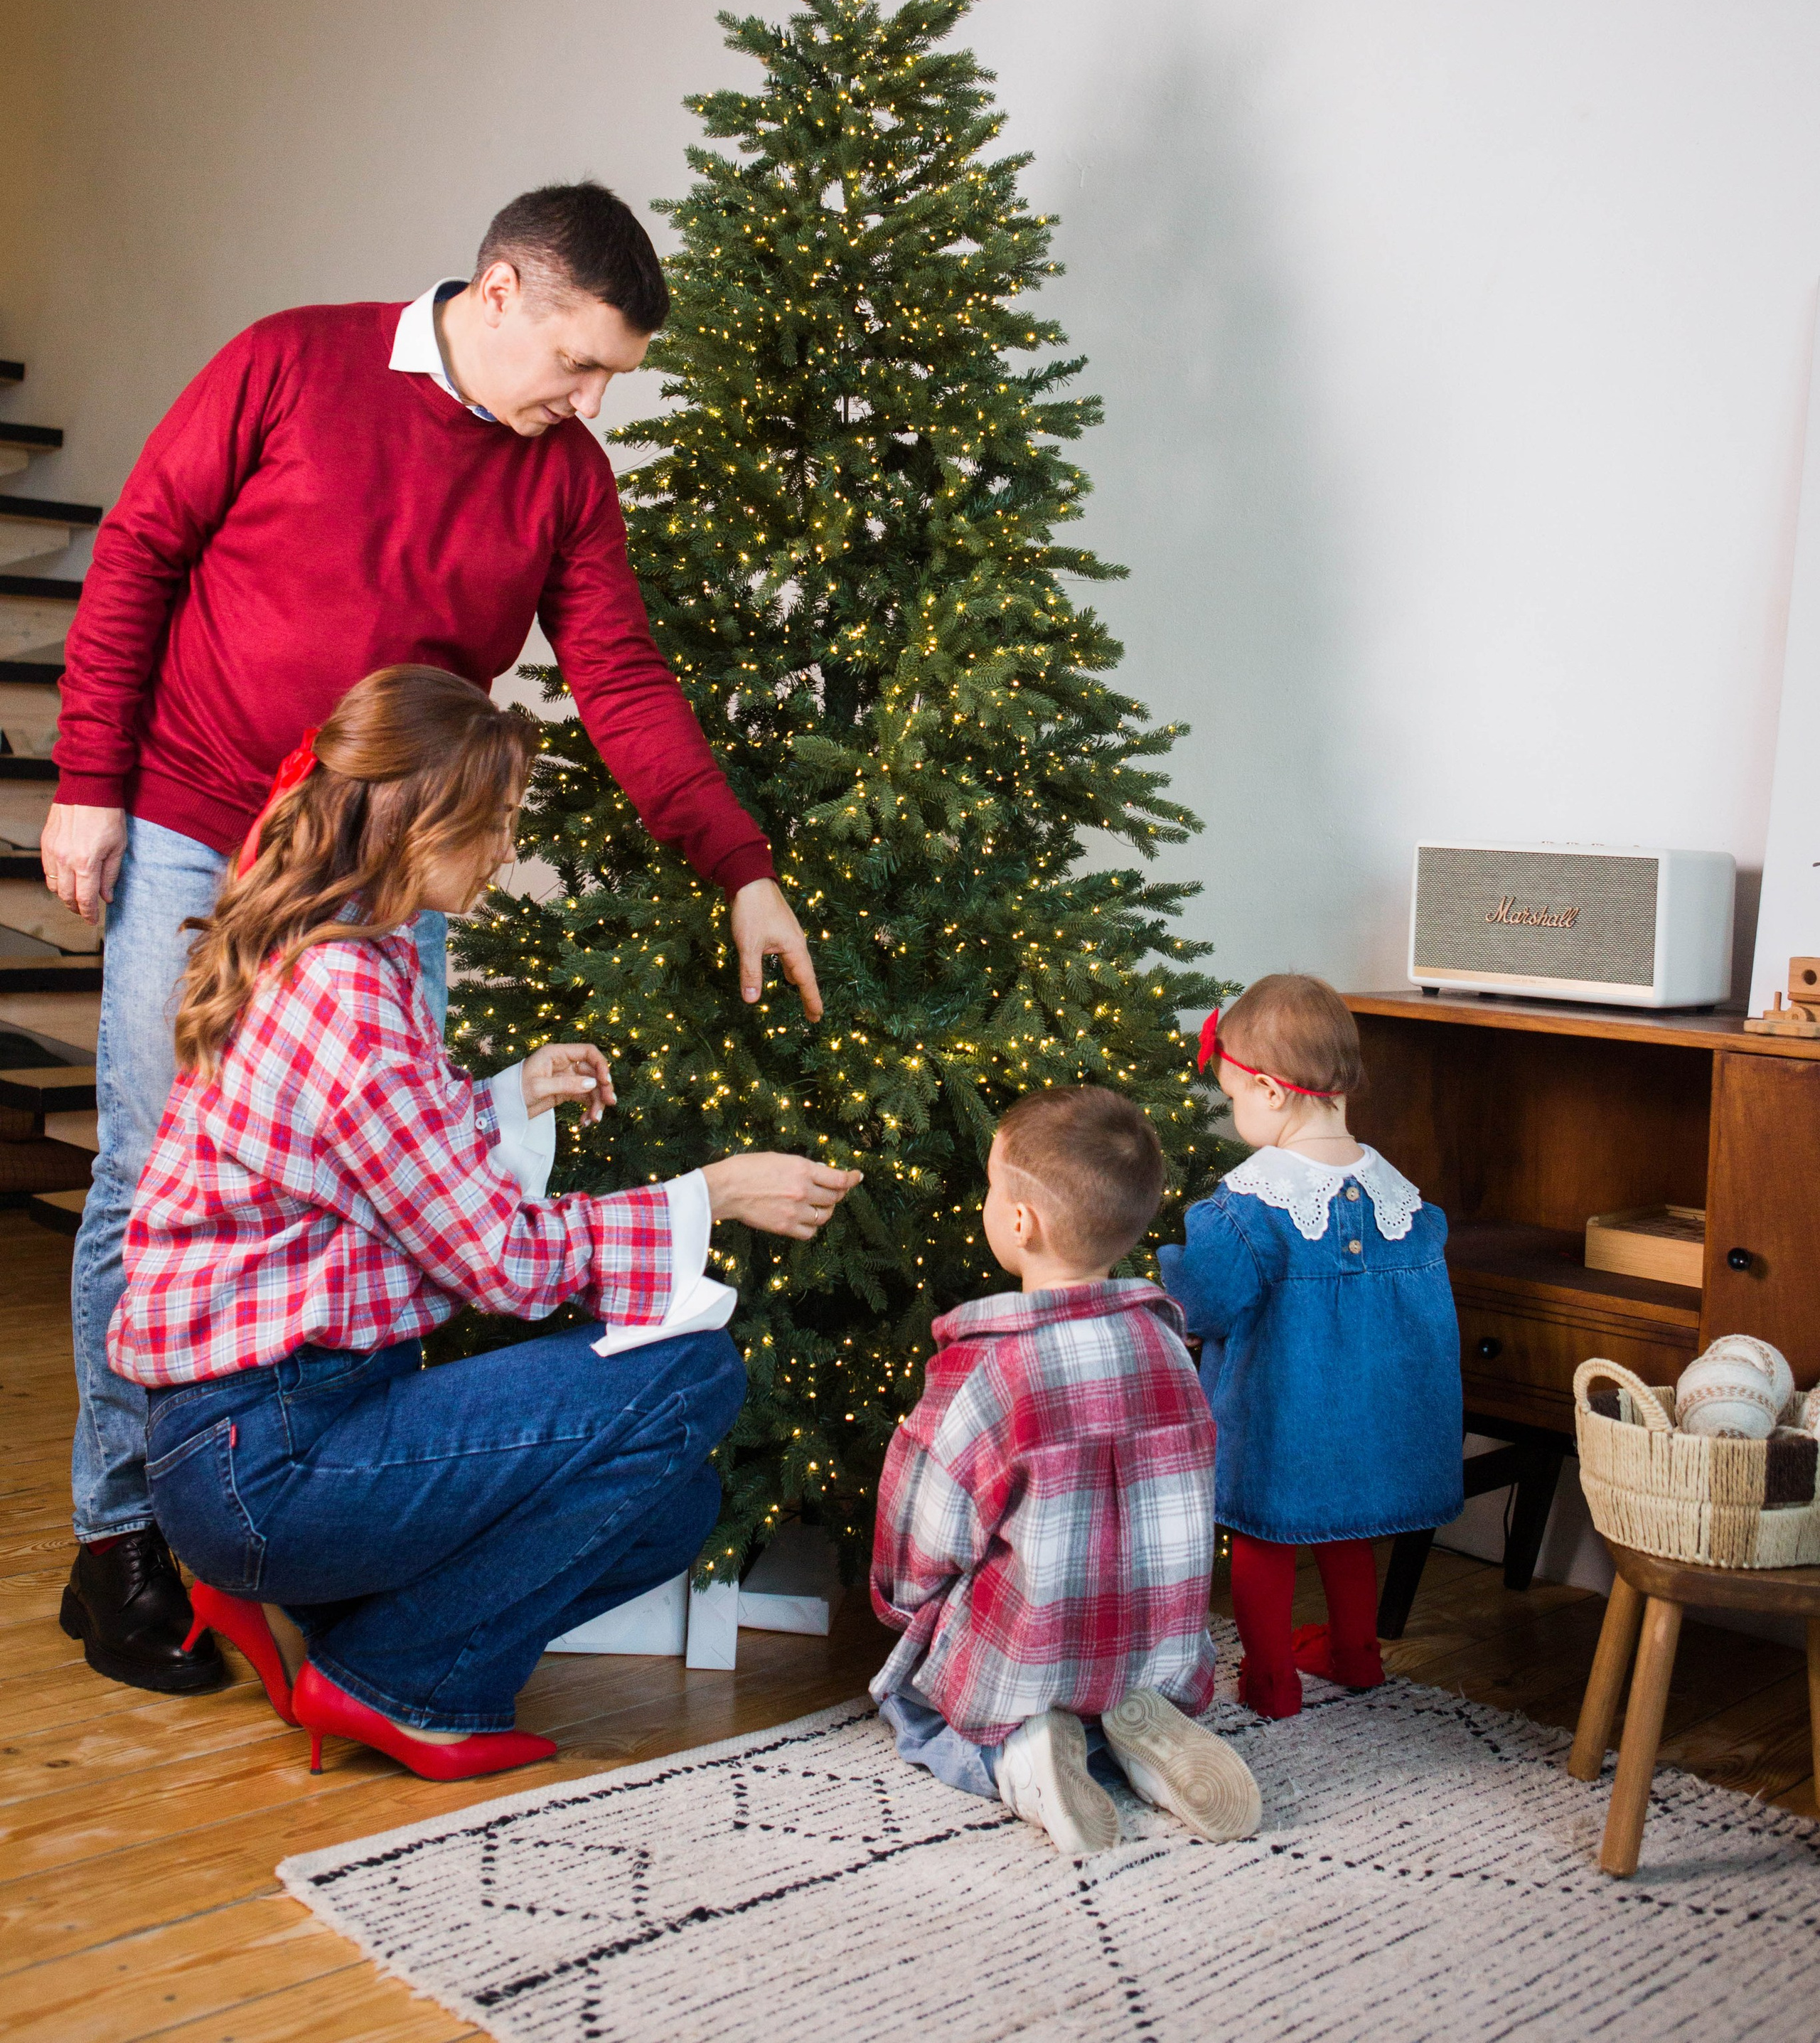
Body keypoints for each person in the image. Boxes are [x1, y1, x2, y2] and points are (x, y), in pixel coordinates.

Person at [46, 181, 824, 1695]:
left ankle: (323, 1510)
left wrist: (738, 862)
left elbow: (621, 680)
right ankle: (122, 1535)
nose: (591, 402)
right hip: (207, 821)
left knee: (393, 1179)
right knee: (149, 1172)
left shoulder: (563, 479)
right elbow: (138, 549)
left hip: (391, 869)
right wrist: (87, 784)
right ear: (503, 291)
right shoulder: (289, 363)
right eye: (582, 363)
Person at [105, 663, 860, 1780]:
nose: (507, 850)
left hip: (282, 1422)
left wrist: (501, 1098)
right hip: (264, 1450)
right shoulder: (348, 996)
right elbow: (500, 1260)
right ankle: (396, 1682)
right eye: (497, 823)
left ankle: (358, 1645)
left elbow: (363, 1163)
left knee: (674, 1504)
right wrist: (713, 1194)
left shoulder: (344, 945)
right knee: (692, 1378)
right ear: (421, 820)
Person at [868, 1086, 1260, 1856]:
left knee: (911, 1706)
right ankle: (1135, 1738)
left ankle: (1014, 1757)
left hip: (1025, 1656)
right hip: (1157, 1651)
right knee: (1110, 1650)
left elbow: (922, 1538)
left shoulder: (985, 1369)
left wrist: (906, 1607)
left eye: (991, 1186)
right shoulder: (1167, 1348)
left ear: (1021, 1222)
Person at [1158, 974, 1463, 1719]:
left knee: (1263, 1538)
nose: (1234, 1115)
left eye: (1231, 1099)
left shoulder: (1251, 1208)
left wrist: (1175, 1293)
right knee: (1344, 1532)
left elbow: (1207, 1301)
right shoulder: (1405, 1203)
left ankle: (1270, 1679)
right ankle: (1356, 1655)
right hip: (1370, 1423)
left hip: (1280, 1418)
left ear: (1268, 1092)